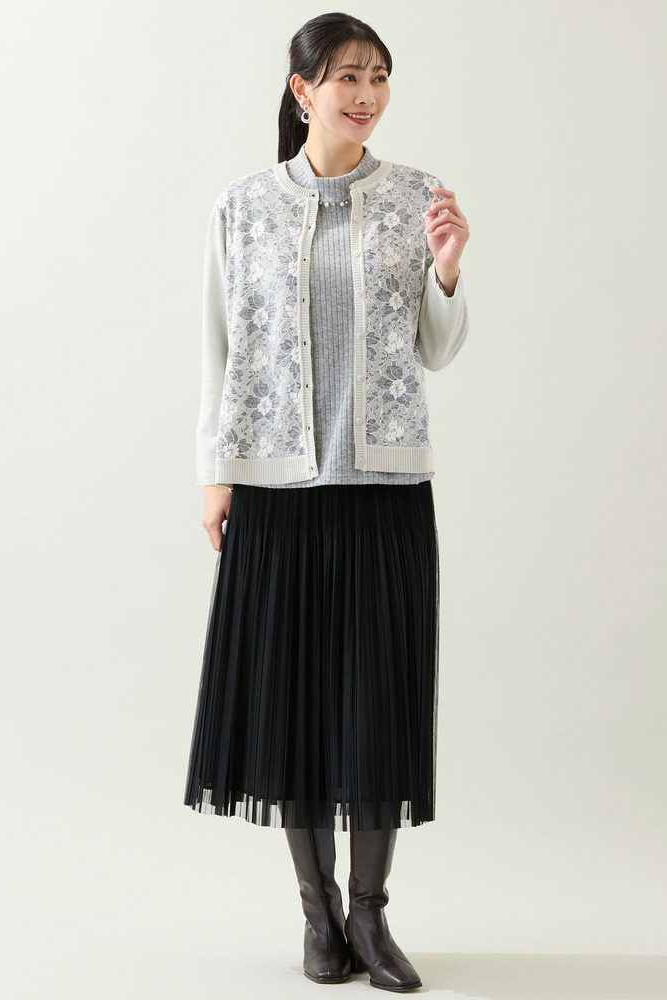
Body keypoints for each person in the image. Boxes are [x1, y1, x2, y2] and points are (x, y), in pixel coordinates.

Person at [182, 12, 470, 992]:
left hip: (384, 489)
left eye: (380, 76)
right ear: (302, 90)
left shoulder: (418, 196)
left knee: (378, 707)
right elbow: (218, 346)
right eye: (348, 76)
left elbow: (437, 348)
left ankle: (369, 915)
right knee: (292, 706)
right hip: (276, 490)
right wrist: (215, 470)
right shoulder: (242, 206)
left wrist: (446, 269)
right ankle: (317, 914)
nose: (367, 93)